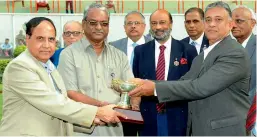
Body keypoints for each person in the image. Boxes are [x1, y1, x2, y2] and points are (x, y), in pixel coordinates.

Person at [129, 1, 251, 136]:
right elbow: (184, 81)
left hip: (224, 130)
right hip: (201, 129)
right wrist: (149, 84)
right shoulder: (203, 55)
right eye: (208, 20)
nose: (211, 24)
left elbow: (200, 87)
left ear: (230, 24)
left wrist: (154, 88)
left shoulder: (234, 53)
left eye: (218, 20)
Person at [0, 17, 126, 136]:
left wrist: (95, 119)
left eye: (51, 39)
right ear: (27, 38)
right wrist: (96, 112)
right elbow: (54, 103)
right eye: (40, 38)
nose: (46, 45)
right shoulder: (20, 67)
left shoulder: (49, 67)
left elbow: (59, 111)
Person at [58, 3, 135, 136]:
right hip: (80, 130)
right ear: (84, 24)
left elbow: (131, 87)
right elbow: (70, 93)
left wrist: (133, 104)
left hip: (113, 129)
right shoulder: (69, 54)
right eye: (93, 23)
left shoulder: (120, 56)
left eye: (104, 24)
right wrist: (102, 106)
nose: (99, 27)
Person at [133, 9, 197, 136]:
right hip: (148, 117)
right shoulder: (140, 51)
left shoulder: (187, 50)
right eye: (154, 23)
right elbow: (136, 82)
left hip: (178, 116)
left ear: (171, 24)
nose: (158, 27)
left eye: (162, 22)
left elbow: (193, 84)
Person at [110, 11, 151, 136]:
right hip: (122, 102)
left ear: (144, 26)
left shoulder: (154, 45)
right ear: (124, 27)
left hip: (148, 101)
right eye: (129, 23)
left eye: (137, 23)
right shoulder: (113, 47)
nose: (133, 26)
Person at [231, 6, 256, 103]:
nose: (233, 25)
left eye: (239, 21)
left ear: (252, 23)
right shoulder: (229, 49)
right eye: (231, 22)